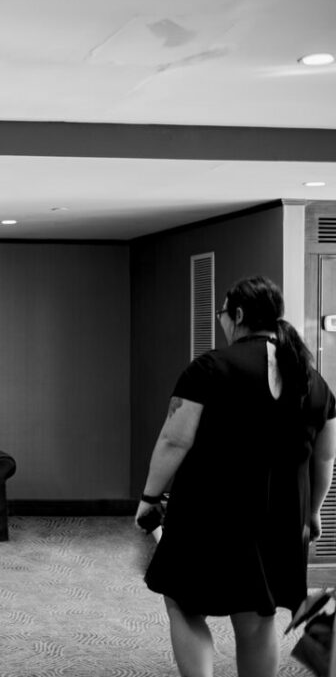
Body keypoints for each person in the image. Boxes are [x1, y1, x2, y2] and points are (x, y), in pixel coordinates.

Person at [135, 275, 336, 677]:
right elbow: (324, 458)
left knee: (183, 602)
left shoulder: (209, 368)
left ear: (238, 315)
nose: (222, 320)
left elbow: (174, 440)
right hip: (281, 518)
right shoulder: (312, 380)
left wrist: (150, 498)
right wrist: (312, 513)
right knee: (257, 617)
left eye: (223, 313)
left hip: (209, 511)